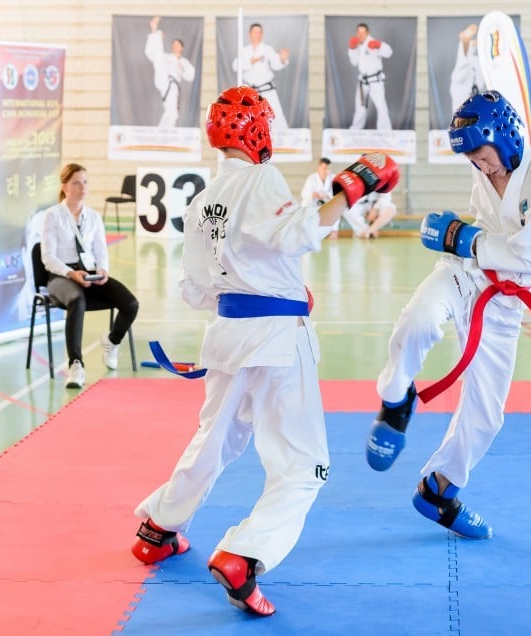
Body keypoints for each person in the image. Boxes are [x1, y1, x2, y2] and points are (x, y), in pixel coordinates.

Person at [130, 86, 399, 616]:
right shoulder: (260, 179)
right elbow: (297, 233)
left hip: (227, 335)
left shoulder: (203, 201)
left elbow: (196, 290)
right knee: (304, 466)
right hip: (276, 341)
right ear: (258, 132)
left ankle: (158, 526)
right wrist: (354, 187)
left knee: (215, 442)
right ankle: (244, 555)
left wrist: (277, 287)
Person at [365, 91, 531, 540]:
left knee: (486, 417)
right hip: (466, 275)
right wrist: (457, 242)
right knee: (419, 318)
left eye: (482, 156)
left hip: (506, 297)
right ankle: (396, 398)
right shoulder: (485, 173)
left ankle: (439, 490)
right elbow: (482, 233)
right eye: (473, 160)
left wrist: (464, 238)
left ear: (503, 136)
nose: (481, 167)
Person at [40, 163, 140, 390]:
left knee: (130, 303)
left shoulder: (93, 217)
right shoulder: (52, 216)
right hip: (61, 276)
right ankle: (76, 364)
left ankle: (113, 341)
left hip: (90, 273)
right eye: (76, 182)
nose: (82, 187)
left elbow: (101, 251)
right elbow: (47, 257)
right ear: (64, 186)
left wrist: (103, 270)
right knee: (77, 300)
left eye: (85, 182)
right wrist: (71, 273)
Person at [233, 23, 290, 133]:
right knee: (245, 118)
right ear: (250, 34)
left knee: (276, 115)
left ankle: (285, 142)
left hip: (266, 89)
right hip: (249, 91)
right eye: (255, 32)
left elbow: (276, 64)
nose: (257, 35)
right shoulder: (244, 50)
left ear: (262, 34)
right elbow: (235, 66)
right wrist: (251, 61)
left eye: (259, 32)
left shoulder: (267, 49)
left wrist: (282, 59)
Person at [145, 16, 196, 128]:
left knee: (172, 113)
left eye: (177, 44)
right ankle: (154, 29)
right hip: (162, 78)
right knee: (158, 55)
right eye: (173, 44)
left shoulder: (184, 62)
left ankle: (164, 132)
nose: (174, 46)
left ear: (182, 47)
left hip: (173, 86)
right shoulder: (167, 57)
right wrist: (157, 38)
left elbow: (190, 76)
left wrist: (179, 64)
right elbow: (151, 54)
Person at [347, 23, 393, 130]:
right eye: (358, 32)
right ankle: (356, 130)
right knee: (360, 108)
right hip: (363, 82)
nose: (361, 35)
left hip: (375, 81)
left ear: (367, 33)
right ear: (356, 33)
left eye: (363, 32)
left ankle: (385, 131)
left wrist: (380, 45)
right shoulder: (357, 45)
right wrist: (352, 49)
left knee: (381, 107)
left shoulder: (373, 43)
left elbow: (389, 53)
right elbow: (354, 62)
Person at [449, 23, 484, 117]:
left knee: (466, 60)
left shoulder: (477, 60)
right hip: (463, 85)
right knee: (463, 62)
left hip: (471, 86)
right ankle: (464, 40)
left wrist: (482, 39)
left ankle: (465, 41)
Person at [301, 158, 336, 236]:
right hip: (313, 204)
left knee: (337, 207)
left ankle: (333, 231)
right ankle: (305, 230)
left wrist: (327, 195)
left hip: (327, 204)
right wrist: (312, 195)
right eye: (325, 168)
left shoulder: (333, 177)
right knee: (304, 204)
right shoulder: (311, 178)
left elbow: (335, 193)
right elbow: (304, 194)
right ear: (319, 168)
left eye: (328, 169)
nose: (327, 171)